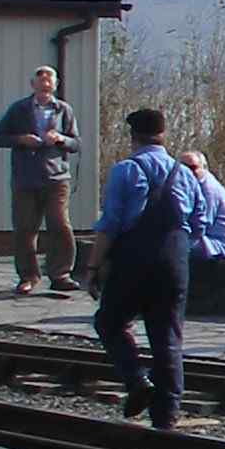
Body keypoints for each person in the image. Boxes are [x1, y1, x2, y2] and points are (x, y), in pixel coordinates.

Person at [85, 107, 197, 431]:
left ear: (133, 137)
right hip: (175, 260)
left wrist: (93, 267)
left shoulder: (126, 170)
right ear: (163, 135)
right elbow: (199, 223)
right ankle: (167, 417)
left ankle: (136, 381)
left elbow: (110, 224)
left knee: (109, 321)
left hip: (134, 259)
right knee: (168, 338)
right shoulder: (185, 173)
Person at [0, 63, 81, 296]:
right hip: (26, 179)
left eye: (49, 82)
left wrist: (60, 138)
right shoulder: (18, 109)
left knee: (60, 224)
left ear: (55, 85)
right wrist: (21, 139)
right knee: (25, 228)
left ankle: (61, 274)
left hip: (56, 177)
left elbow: (76, 143)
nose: (45, 86)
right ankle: (28, 276)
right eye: (41, 82)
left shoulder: (64, 110)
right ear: (33, 85)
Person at [179, 149, 225, 265]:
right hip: (209, 243)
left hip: (223, 249)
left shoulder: (208, 189)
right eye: (182, 167)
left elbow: (201, 226)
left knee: (173, 245)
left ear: (204, 168)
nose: (187, 172)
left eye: (193, 168)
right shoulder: (192, 186)